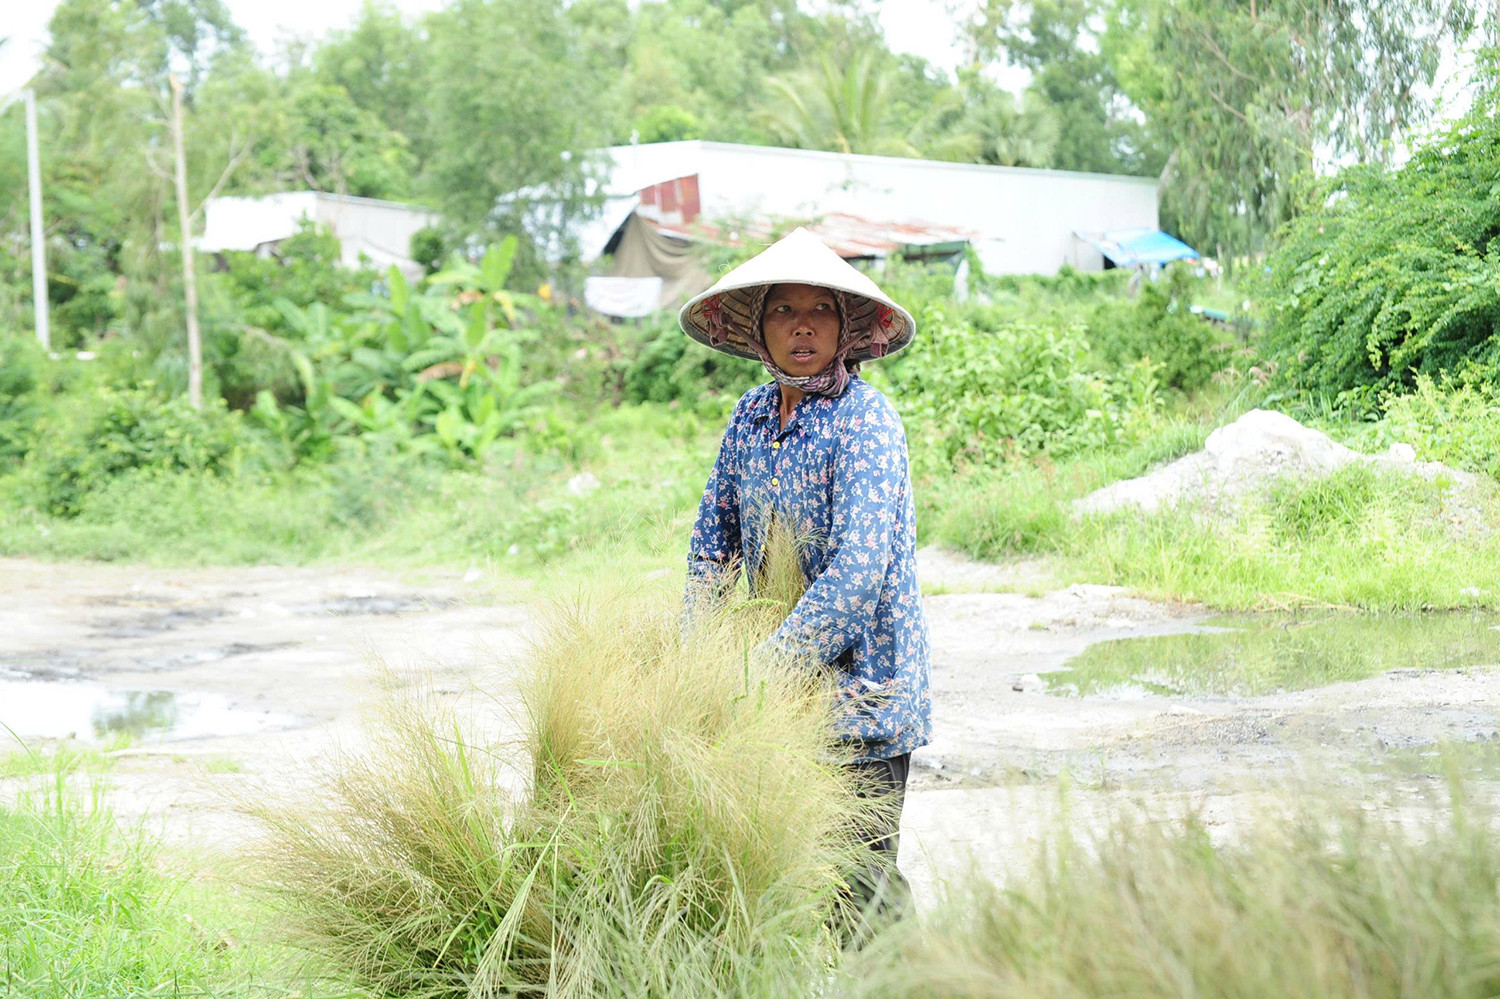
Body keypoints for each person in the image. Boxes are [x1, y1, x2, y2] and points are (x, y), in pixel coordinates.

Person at [678, 227, 932, 928]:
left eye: (820, 309)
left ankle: (906, 979)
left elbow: (856, 576)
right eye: (783, 310)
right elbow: (711, 551)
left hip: (861, 697)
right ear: (758, 328)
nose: (802, 326)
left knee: (861, 890)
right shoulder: (750, 418)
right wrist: (696, 662)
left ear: (846, 327)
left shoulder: (866, 422)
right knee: (788, 885)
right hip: (773, 701)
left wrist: (760, 673)